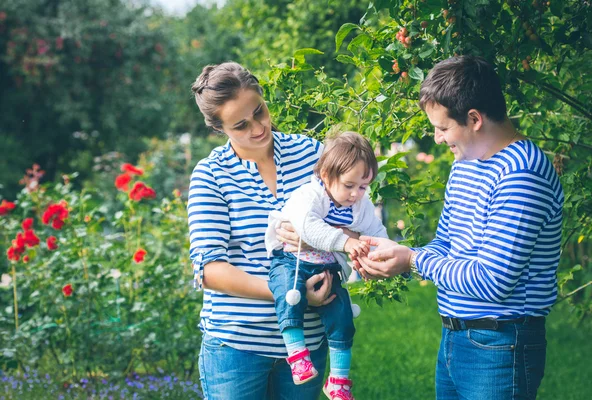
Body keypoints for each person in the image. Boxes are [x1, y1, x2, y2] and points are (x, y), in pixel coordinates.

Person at [355, 55, 564, 400]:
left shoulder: (522, 174)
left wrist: (413, 261)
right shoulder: (465, 165)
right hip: (455, 336)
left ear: (474, 119)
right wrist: (397, 258)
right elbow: (447, 244)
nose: (437, 138)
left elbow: (492, 281)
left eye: (442, 127)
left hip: (500, 345)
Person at [188, 61, 337, 400]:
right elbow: (209, 271)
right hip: (236, 347)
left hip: (308, 340)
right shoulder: (211, 175)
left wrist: (321, 236)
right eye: (240, 125)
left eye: (259, 111)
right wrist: (292, 294)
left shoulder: (313, 155)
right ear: (219, 128)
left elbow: (348, 220)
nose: (258, 128)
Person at [264, 131, 388, 399]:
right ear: (326, 175)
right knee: (289, 294)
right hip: (290, 260)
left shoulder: (359, 205)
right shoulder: (309, 195)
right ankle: (297, 355)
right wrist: (345, 242)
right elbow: (308, 228)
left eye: (363, 187)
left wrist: (381, 254)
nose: (356, 194)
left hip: (326, 267)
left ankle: (339, 381)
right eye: (349, 185)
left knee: (342, 317)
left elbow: (376, 232)